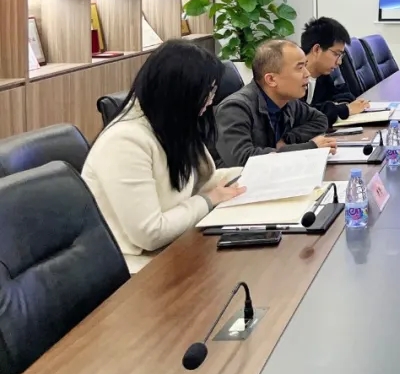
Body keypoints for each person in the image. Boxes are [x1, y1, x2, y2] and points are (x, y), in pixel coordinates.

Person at [82, 41, 247, 273]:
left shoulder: (171, 124)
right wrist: (208, 200)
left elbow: (199, 183)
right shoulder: (124, 142)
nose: (211, 100)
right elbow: (150, 233)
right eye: (207, 92)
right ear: (180, 93)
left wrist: (252, 173)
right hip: (136, 269)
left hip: (176, 246)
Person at [215, 39, 338, 167]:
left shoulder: (287, 101)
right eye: (300, 67)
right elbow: (243, 159)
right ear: (271, 79)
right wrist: (309, 147)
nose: (307, 74)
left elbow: (320, 120)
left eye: (305, 66)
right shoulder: (234, 109)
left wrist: (287, 139)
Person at [300, 16, 369, 126]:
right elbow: (303, 115)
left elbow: (343, 94)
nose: (339, 62)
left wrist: (337, 107)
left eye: (341, 56)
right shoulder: (293, 76)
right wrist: (345, 109)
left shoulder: (322, 75)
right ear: (316, 49)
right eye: (336, 54)